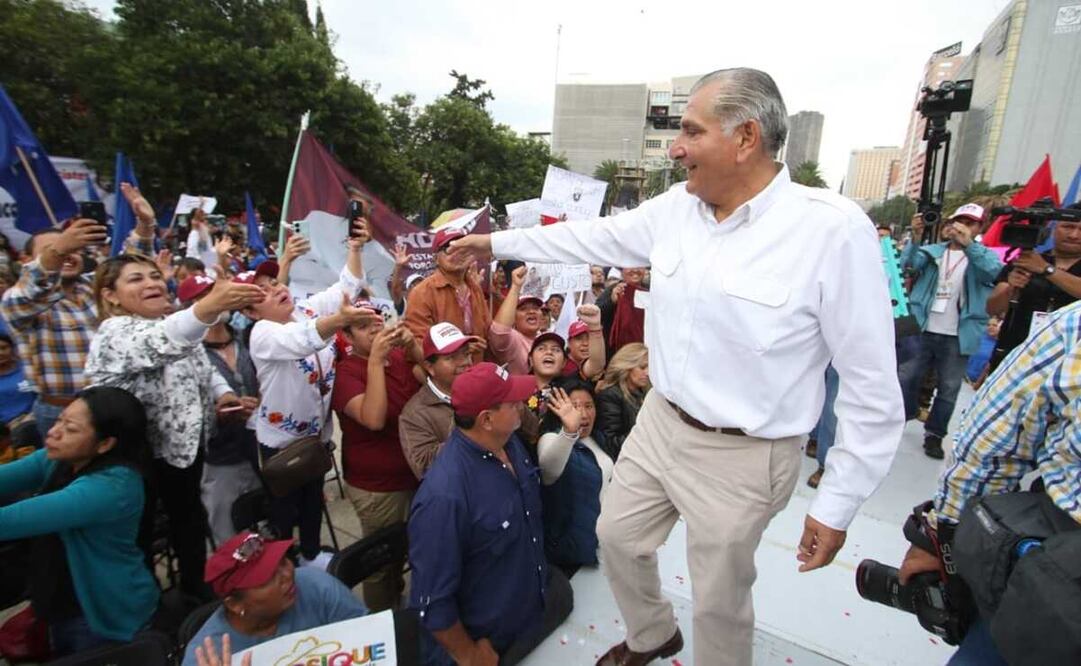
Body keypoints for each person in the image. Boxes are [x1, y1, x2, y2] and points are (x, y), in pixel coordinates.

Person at [451, 68, 903, 666]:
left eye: (691, 131)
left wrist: (838, 502)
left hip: (746, 454)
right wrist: (496, 244)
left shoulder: (831, 231)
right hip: (661, 423)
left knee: (719, 601)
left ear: (745, 139)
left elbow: (873, 390)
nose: (678, 147)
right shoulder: (676, 209)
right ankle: (652, 633)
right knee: (615, 537)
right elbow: (595, 236)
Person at [898, 300, 1081, 666]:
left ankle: (934, 432)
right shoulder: (1073, 326)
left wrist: (940, 538)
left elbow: (994, 440)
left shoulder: (1074, 324)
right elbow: (996, 442)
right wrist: (941, 538)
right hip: (1060, 578)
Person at [86, 253, 264, 597]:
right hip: (135, 461)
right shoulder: (114, 332)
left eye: (154, 275)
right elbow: (163, 343)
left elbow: (202, 366)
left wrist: (223, 395)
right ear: (110, 294)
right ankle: (146, 611)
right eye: (136, 279)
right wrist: (207, 307)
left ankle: (197, 592)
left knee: (190, 524)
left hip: (183, 453)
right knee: (140, 539)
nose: (152, 283)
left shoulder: (171, 320)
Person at [408, 362, 573, 666]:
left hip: (531, 607)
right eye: (513, 403)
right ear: (486, 419)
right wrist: (469, 656)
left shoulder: (509, 443)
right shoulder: (444, 497)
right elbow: (432, 601)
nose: (522, 405)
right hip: (493, 642)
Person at [241, 220, 376, 569]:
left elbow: (347, 284)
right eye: (263, 292)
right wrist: (338, 321)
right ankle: (285, 571)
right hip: (282, 444)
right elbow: (301, 340)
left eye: (274, 281)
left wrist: (356, 248)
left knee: (313, 506)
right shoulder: (263, 333)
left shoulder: (306, 309)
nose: (274, 288)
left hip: (316, 438)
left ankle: (314, 560)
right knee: (285, 517)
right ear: (250, 311)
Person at [0, 387, 159, 656]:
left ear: (105, 443)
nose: (54, 431)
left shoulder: (113, 485)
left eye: (71, 428)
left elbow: (11, 521)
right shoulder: (61, 458)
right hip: (60, 602)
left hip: (100, 615)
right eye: (60, 420)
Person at [0, 184, 156, 440]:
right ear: (25, 261)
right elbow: (33, 287)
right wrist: (59, 249)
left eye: (74, 248)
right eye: (54, 250)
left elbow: (130, 266)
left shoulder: (93, 287)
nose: (68, 255)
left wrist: (146, 223)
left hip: (114, 406)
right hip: (60, 412)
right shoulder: (19, 302)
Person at [331, 312, 423, 611]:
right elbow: (373, 418)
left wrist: (413, 350)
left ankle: (402, 608)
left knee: (411, 550)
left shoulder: (397, 357)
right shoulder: (347, 372)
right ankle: (384, 622)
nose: (373, 330)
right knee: (382, 565)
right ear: (347, 337)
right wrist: (374, 363)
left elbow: (436, 378)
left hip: (412, 472)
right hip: (379, 487)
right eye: (361, 326)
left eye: (376, 323)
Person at [900, 204, 1002, 459]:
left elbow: (994, 271)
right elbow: (907, 266)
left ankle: (935, 435)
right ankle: (903, 415)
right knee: (905, 377)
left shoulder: (983, 256)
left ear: (980, 228)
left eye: (970, 223)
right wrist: (916, 235)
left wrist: (970, 245)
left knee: (949, 388)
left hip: (959, 334)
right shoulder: (932, 251)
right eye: (960, 221)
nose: (962, 227)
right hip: (922, 326)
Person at [182, 531, 368, 666]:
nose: (287, 574)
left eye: (283, 561)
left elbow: (372, 637)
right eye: (268, 578)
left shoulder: (316, 585)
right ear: (235, 604)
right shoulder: (206, 657)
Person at [176, 275, 264, 546]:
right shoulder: (186, 353)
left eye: (215, 292)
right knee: (229, 536)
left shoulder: (247, 339)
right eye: (203, 297)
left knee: (261, 526)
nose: (215, 301)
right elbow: (181, 413)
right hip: (220, 460)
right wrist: (218, 413)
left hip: (257, 453)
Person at [985, 205, 1081, 359]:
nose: (1074, 235)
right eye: (1068, 227)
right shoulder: (1025, 262)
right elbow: (993, 308)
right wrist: (1011, 288)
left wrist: (1046, 269)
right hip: (1016, 351)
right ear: (1053, 228)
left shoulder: (1039, 263)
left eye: (1080, 229)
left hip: (1069, 356)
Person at [538, 379, 613, 574]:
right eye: (574, 406)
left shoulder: (599, 438)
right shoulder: (552, 439)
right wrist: (569, 432)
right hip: (570, 555)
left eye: (589, 406)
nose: (583, 413)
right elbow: (549, 470)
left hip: (603, 545)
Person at [398, 323, 479, 480]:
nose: (464, 362)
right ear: (430, 367)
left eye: (466, 354)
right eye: (451, 357)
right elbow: (424, 467)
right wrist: (479, 432)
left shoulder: (485, 387)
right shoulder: (415, 414)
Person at [404, 227, 491, 363]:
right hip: (443, 378)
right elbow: (419, 347)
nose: (456, 254)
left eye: (462, 248)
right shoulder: (421, 293)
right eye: (448, 249)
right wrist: (462, 349)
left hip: (474, 373)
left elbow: (487, 331)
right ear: (435, 259)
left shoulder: (475, 288)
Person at [593, 343, 650, 462]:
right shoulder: (610, 396)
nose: (647, 373)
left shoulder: (643, 394)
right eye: (642, 367)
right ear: (627, 366)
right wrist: (646, 430)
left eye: (649, 368)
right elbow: (610, 443)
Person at [488, 266, 545, 375]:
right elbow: (499, 331)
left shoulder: (547, 337)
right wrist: (515, 286)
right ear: (513, 318)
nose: (531, 312)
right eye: (524, 309)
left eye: (536, 308)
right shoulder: (514, 340)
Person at [596, 267, 649, 354]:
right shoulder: (612, 290)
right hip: (617, 353)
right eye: (630, 266)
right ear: (622, 270)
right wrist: (611, 301)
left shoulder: (651, 290)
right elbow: (596, 314)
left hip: (646, 350)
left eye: (640, 266)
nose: (635, 270)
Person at [0, 331, 36, 431]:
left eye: (4, 348)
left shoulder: (27, 369)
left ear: (12, 349)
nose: (1, 353)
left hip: (34, 420)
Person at [562, 306, 607, 382]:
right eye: (579, 339)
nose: (585, 343)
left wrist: (595, 327)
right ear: (569, 343)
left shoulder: (595, 366)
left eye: (589, 338)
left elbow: (596, 365)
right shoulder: (560, 366)